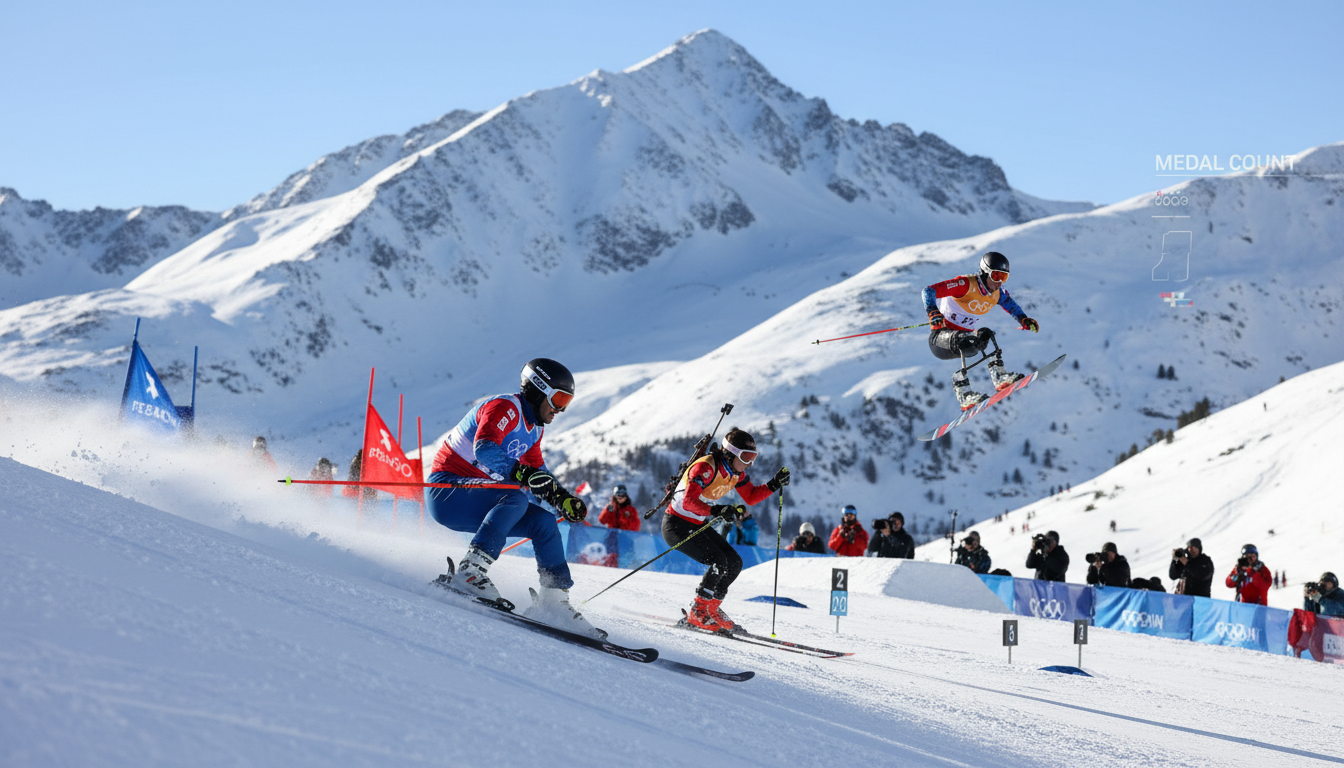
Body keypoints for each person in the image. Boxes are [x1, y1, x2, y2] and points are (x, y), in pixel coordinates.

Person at [427, 358, 601, 637]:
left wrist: (561, 498)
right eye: (557, 399)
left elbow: (537, 471)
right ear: (538, 389)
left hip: (478, 498)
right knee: (515, 496)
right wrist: (521, 474)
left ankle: (554, 599)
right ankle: (470, 572)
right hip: (447, 490)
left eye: (566, 401)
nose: (560, 409)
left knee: (544, 523)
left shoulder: (535, 428)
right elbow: (484, 448)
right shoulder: (505, 407)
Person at [662, 427, 790, 633]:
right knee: (719, 561)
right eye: (746, 457)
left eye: (753, 457)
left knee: (734, 563)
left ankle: (710, 609)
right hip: (676, 524)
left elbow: (751, 497)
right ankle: (698, 613)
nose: (749, 463)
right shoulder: (706, 467)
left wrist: (773, 485)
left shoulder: (735, 473)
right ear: (730, 454)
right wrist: (717, 510)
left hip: (696, 523)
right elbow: (688, 502)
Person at [922, 251, 1040, 410]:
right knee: (966, 338)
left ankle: (1000, 377)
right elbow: (928, 291)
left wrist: (1024, 319)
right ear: (985, 273)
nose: (999, 282)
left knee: (986, 333)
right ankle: (964, 395)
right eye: (996, 276)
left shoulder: (997, 294)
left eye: (1004, 277)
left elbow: (1011, 305)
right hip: (940, 340)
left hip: (965, 341)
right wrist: (932, 311)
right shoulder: (965, 284)